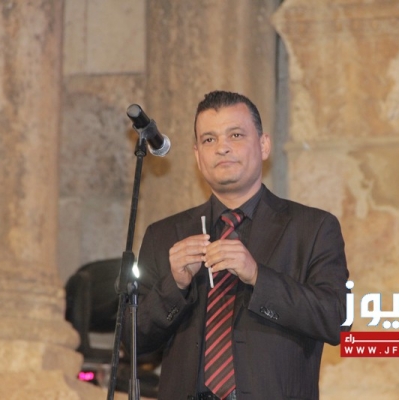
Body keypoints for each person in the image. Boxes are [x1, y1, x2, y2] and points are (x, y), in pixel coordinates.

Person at [130, 90, 350, 400]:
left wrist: (258, 276)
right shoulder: (164, 235)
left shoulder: (312, 228)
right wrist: (174, 287)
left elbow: (337, 320)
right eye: (209, 139)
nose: (222, 147)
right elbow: (133, 340)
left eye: (235, 135)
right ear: (197, 156)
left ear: (264, 145)